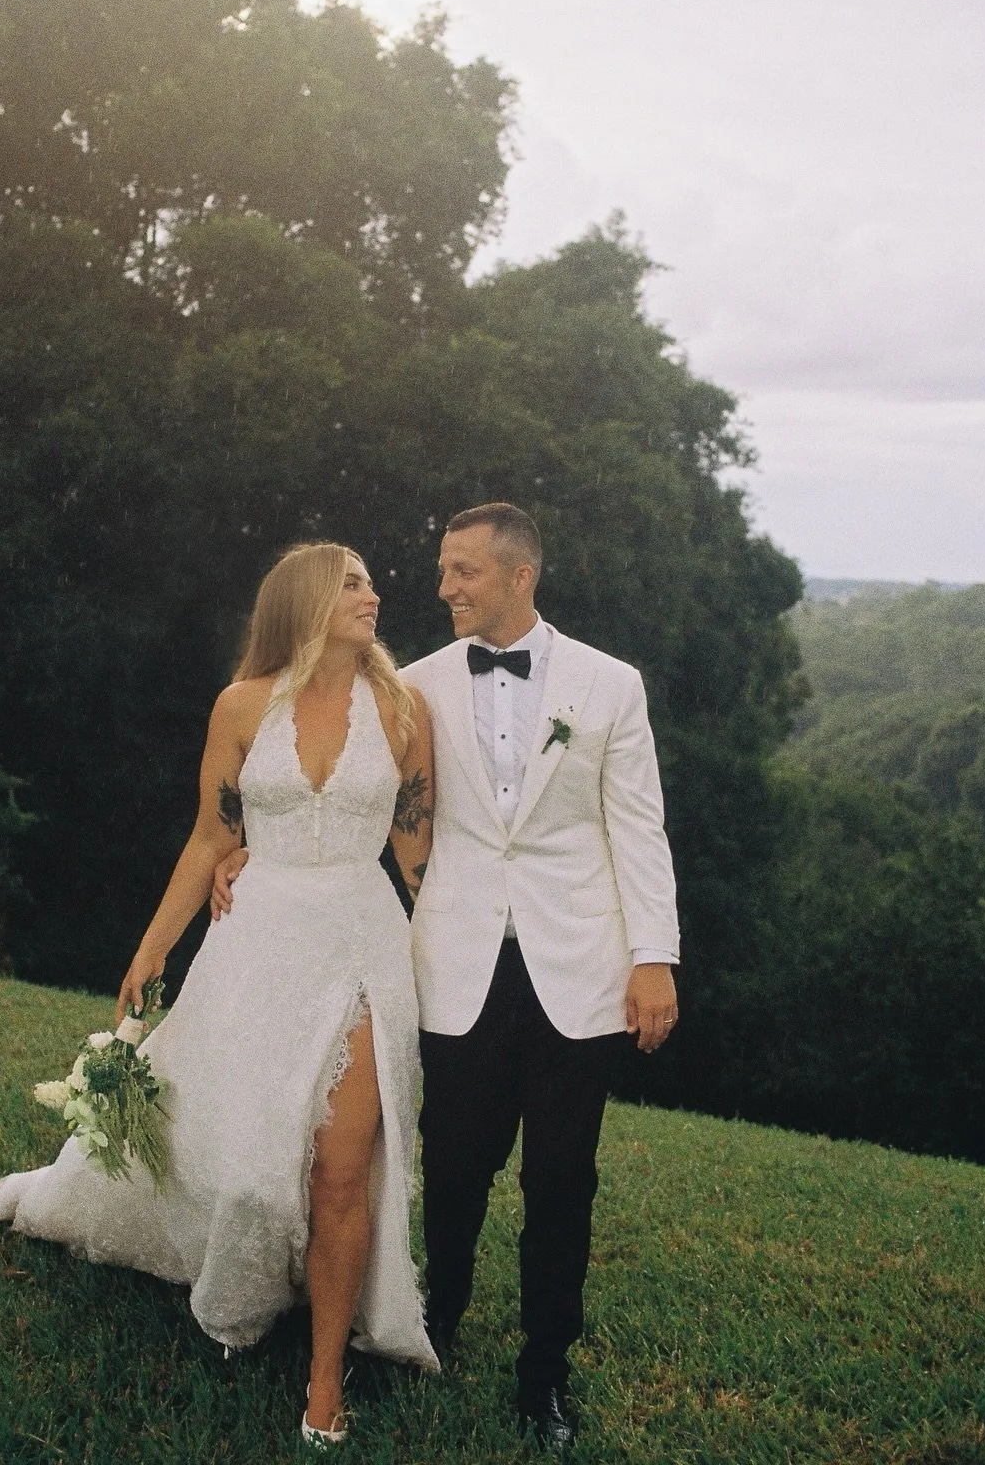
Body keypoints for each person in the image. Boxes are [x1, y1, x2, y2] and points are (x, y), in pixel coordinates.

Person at [0, 542, 440, 1446]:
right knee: (251, 1163)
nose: (374, 594)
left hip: (361, 947)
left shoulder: (401, 708)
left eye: (369, 581)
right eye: (352, 582)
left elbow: (418, 854)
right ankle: (233, 1286)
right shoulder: (240, 706)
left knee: (342, 1166)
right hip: (256, 945)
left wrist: (461, 971)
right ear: (304, 602)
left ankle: (321, 1383)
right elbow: (208, 839)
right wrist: (152, 951)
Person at [214, 502, 680, 1455]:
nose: (441, 588)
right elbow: (332, 784)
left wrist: (653, 957)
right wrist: (245, 853)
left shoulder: (610, 685)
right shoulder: (408, 688)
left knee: (562, 1182)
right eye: (440, 569)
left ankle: (544, 1376)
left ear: (519, 577)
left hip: (581, 968)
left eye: (461, 571)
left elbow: (638, 826)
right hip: (452, 958)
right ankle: (437, 1325)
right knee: (454, 1169)